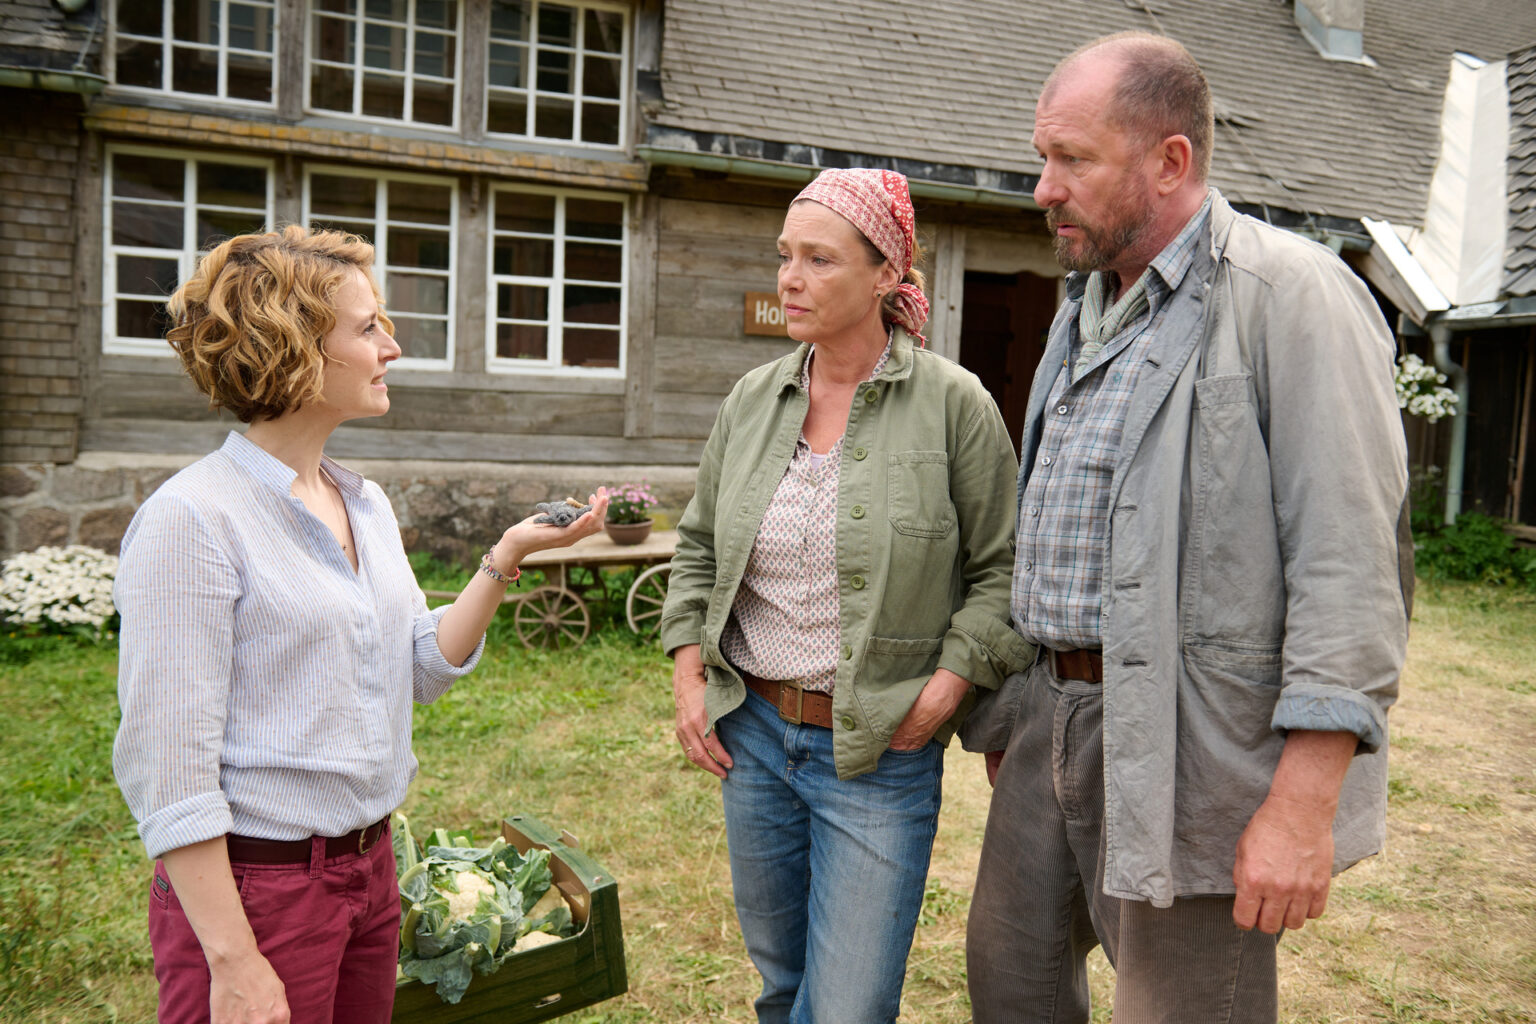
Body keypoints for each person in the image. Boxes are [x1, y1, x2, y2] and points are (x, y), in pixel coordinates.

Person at [959, 31, 1414, 1024]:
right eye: (1044, 155)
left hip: (1195, 748)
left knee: (1184, 1013)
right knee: (1012, 988)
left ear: (1171, 161)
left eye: (1071, 158)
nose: (1042, 186)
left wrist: (1301, 803)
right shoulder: (1088, 306)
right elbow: (1054, 521)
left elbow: (1352, 564)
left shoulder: (1289, 296)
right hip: (1049, 726)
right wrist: (1016, 715)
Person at [111, 225, 608, 1024]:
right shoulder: (193, 520)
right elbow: (167, 771)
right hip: (259, 892)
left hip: (370, 872)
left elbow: (421, 663)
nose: (394, 345)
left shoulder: (363, 501)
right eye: (368, 325)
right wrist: (235, 960)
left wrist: (510, 551)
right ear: (297, 346)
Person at [660, 168, 1028, 1023]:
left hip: (879, 754)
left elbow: (1002, 569)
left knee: (849, 1008)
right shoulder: (752, 401)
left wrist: (946, 690)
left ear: (885, 276)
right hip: (752, 735)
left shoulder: (954, 405)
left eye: (819, 259)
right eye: (785, 256)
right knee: (782, 988)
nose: (790, 278)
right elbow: (700, 545)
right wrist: (688, 674)